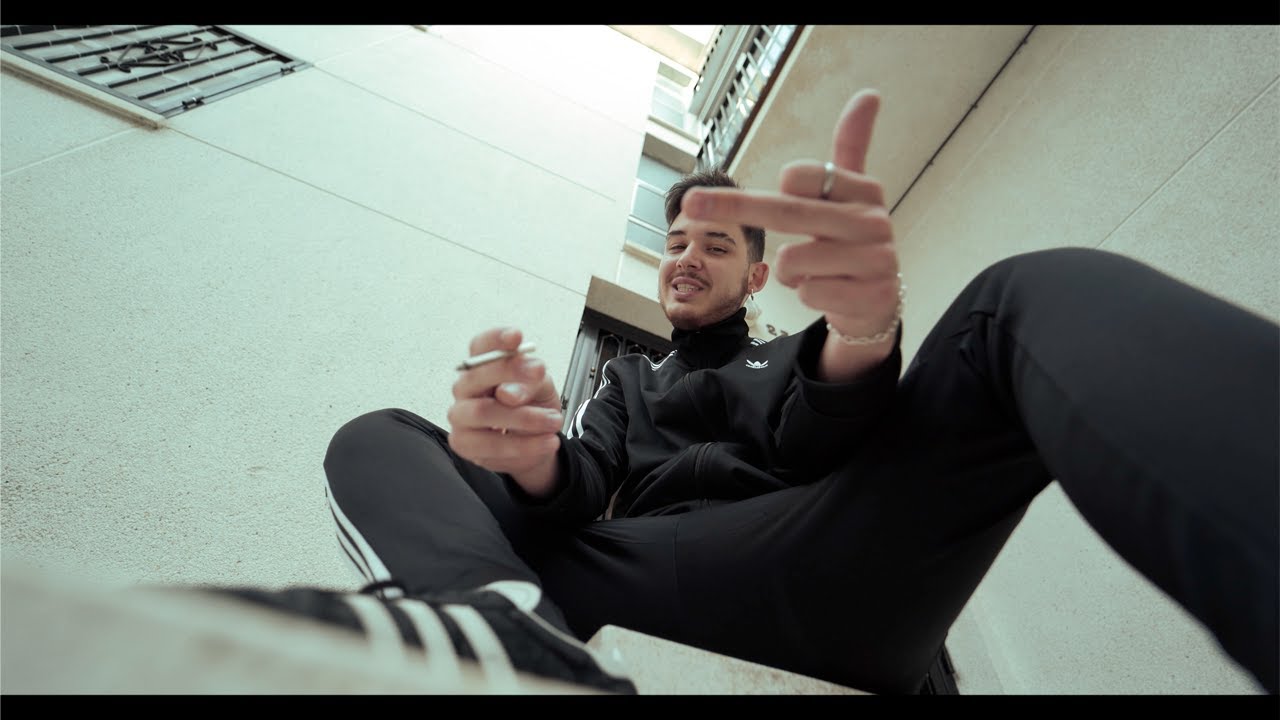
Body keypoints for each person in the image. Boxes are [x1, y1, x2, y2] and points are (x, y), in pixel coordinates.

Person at [215, 89, 1277, 695]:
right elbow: (582, 483)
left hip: (821, 560)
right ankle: (503, 631)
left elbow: (825, 430)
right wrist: (530, 458)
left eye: (715, 245)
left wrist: (863, 330)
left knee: (1029, 292)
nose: (685, 257)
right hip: (631, 571)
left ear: (757, 275)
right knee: (384, 435)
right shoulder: (624, 377)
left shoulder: (792, 354)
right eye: (675, 241)